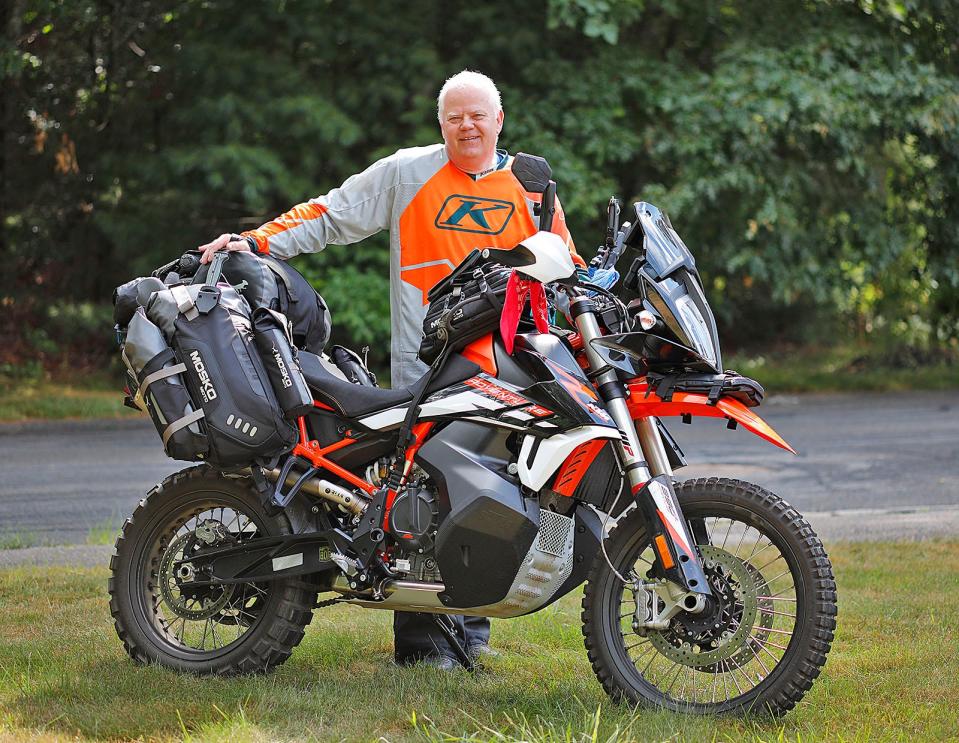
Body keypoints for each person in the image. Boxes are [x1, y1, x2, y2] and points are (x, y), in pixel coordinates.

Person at [198, 70, 584, 670]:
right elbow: (331, 214)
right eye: (455, 116)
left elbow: (566, 263)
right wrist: (258, 242)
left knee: (487, 493)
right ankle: (426, 645)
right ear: (441, 123)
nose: (467, 125)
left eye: (478, 114)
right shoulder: (408, 172)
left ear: (499, 120)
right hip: (423, 361)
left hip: (504, 364)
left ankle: (469, 634)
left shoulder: (532, 187)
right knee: (422, 493)